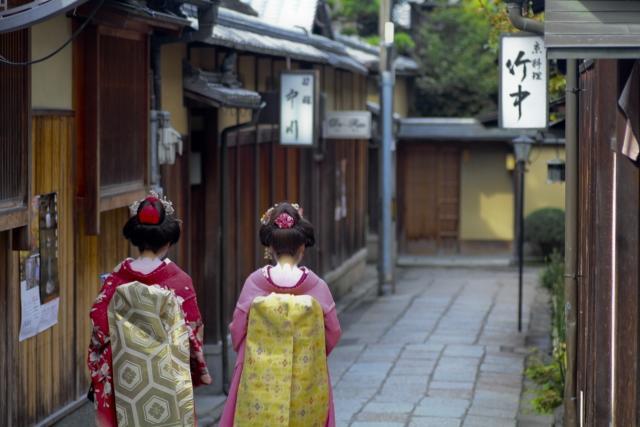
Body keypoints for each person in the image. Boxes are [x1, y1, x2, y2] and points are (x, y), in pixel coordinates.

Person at [87, 192, 211, 426]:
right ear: (168, 239)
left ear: (136, 237)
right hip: (167, 381)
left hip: (123, 374)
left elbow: (99, 330)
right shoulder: (179, 281)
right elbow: (193, 332)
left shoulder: (116, 279)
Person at [219, 202, 341, 427]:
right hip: (305, 373)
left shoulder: (255, 282)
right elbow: (333, 332)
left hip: (258, 370)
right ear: (302, 247)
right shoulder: (317, 286)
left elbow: (237, 330)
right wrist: (311, 349)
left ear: (270, 247)